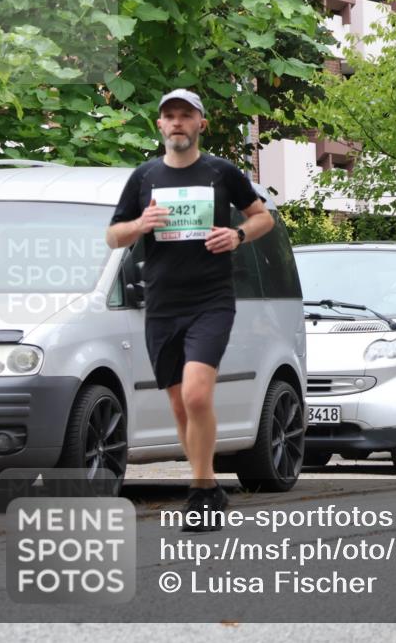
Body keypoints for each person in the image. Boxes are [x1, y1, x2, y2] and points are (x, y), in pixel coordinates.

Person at [106, 89, 275, 529]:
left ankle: (200, 490)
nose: (177, 122)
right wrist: (140, 224)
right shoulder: (145, 177)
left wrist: (237, 235)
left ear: (202, 124)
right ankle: (210, 486)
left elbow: (263, 217)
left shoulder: (221, 172)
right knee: (181, 407)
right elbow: (113, 236)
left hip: (211, 301)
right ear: (160, 125)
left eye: (186, 115)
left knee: (197, 394)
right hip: (162, 305)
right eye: (170, 116)